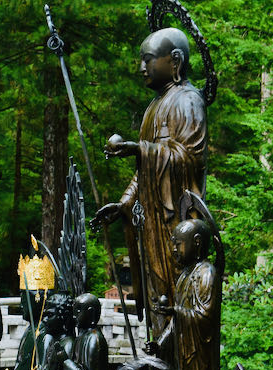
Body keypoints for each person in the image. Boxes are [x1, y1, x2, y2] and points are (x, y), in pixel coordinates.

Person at [91, 27, 208, 337]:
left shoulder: (189, 100)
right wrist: (125, 202)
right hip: (152, 225)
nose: (142, 68)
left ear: (175, 61)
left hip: (177, 223)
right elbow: (144, 171)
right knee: (158, 296)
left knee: (176, 294)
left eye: (148, 60)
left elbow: (191, 159)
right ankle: (161, 367)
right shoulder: (152, 109)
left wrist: (137, 148)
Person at [149, 219, 221, 370]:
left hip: (199, 355)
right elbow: (176, 322)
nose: (174, 250)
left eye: (178, 244)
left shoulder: (206, 273)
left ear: (197, 243)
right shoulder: (184, 277)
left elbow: (205, 316)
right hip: (183, 354)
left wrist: (174, 310)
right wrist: (160, 343)